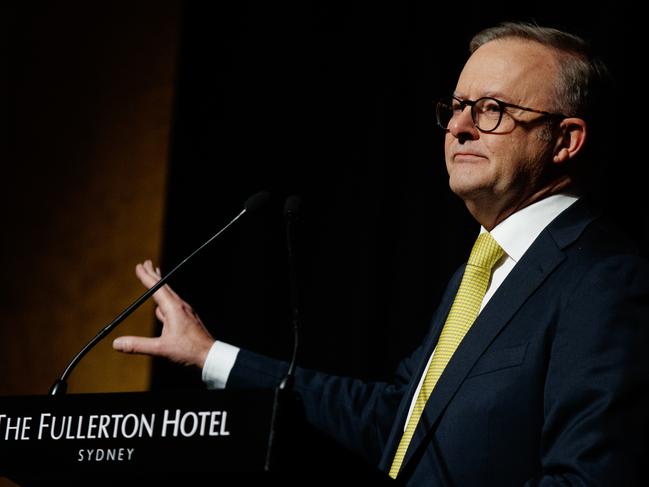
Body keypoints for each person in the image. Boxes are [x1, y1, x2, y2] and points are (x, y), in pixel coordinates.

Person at [113, 22, 649, 485]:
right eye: (458, 107)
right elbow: (395, 421)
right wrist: (212, 356)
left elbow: (587, 478)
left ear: (565, 139)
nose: (459, 127)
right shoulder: (484, 268)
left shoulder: (604, 278)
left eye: (492, 109)